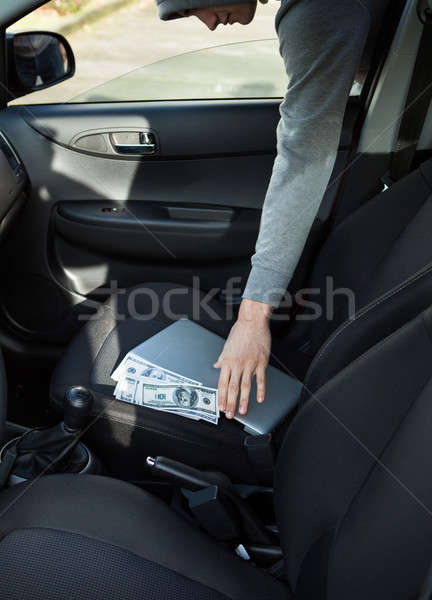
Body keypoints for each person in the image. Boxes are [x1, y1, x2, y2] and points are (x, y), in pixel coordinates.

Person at [155, 0, 390, 418]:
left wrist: (251, 319)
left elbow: (304, 156)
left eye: (195, 5)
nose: (208, 23)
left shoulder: (318, 11)